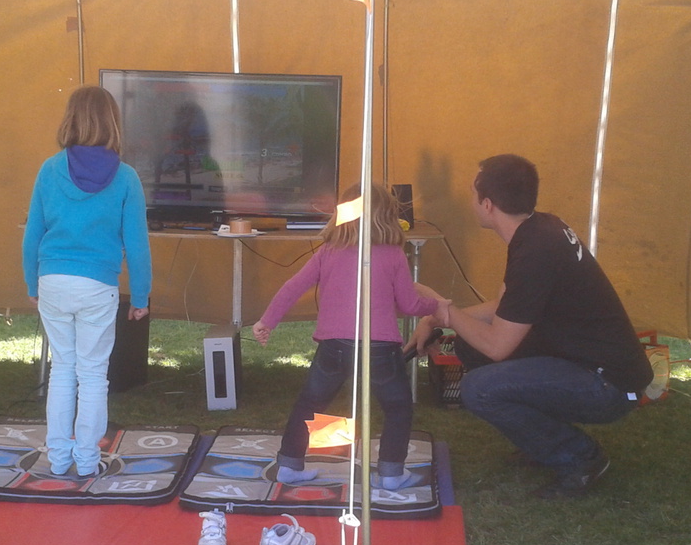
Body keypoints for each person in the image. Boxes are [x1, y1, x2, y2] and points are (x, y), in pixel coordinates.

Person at [412, 153, 653, 499]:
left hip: (611, 385)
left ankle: (580, 458)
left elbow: (498, 345)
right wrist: (437, 319)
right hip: (586, 361)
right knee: (468, 346)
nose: (471, 201)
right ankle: (541, 440)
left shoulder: (536, 251)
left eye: (473, 193)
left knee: (479, 388)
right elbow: (506, 308)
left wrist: (443, 310)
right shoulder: (540, 229)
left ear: (488, 204)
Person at [253, 183, 447, 490]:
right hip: (380, 348)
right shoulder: (393, 254)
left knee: (310, 403)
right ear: (388, 216)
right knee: (397, 406)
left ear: (341, 214)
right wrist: (437, 306)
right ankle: (391, 472)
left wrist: (267, 321)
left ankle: (289, 464)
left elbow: (293, 286)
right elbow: (410, 305)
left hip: (334, 346)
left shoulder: (329, 251)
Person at [22, 85, 152, 478]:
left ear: (70, 120)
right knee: (93, 374)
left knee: (63, 369)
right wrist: (141, 296)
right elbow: (137, 245)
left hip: (53, 280)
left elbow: (32, 235)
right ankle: (86, 460)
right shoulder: (126, 178)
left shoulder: (49, 170)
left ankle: (59, 458)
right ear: (113, 122)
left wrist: (32, 286)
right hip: (97, 285)